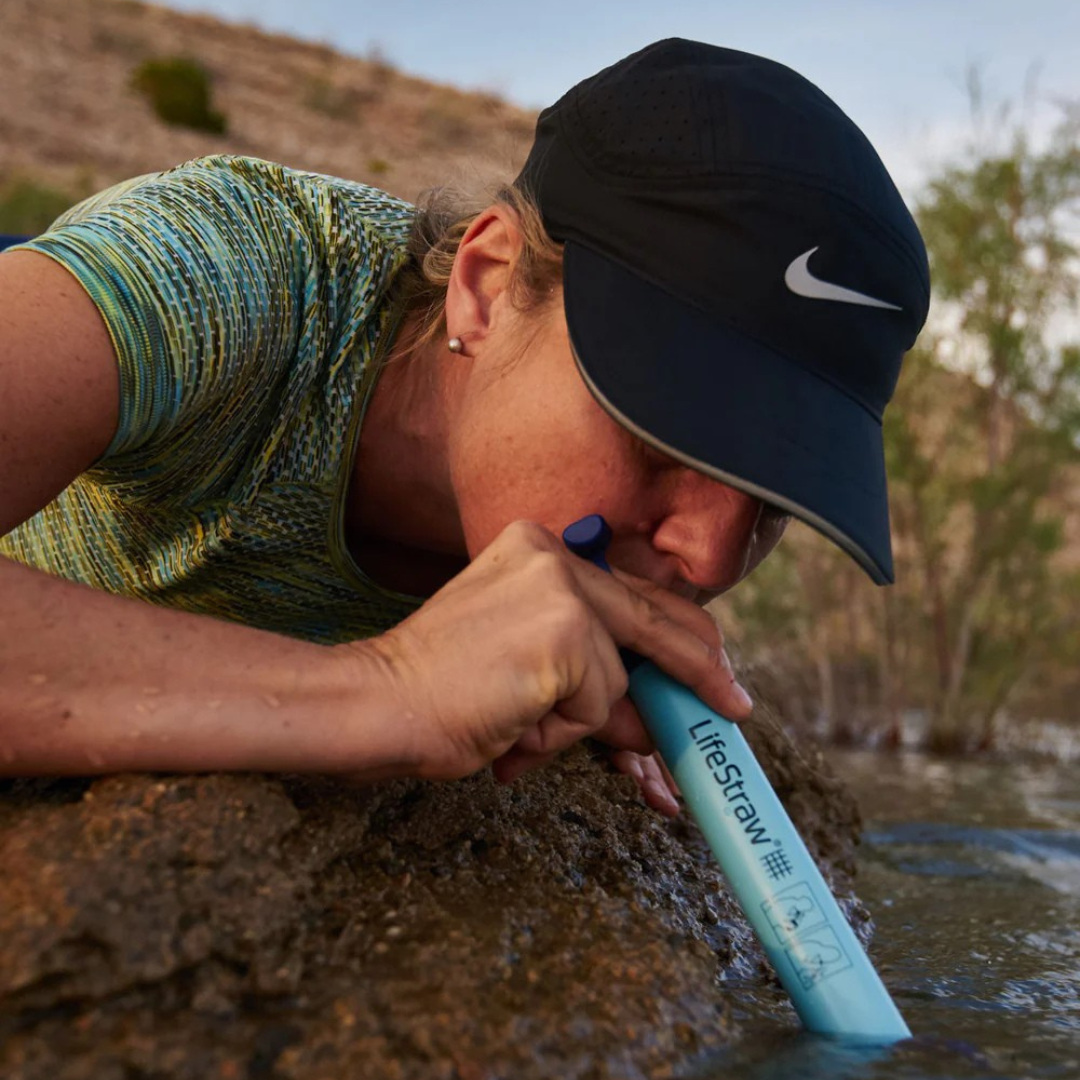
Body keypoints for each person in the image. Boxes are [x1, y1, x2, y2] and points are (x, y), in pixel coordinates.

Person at [0, 39, 929, 814]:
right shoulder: (228, 278)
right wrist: (391, 687)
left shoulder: (587, 582)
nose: (713, 559)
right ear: (485, 286)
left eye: (773, 498)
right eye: (667, 435)